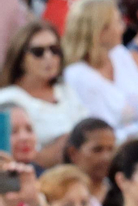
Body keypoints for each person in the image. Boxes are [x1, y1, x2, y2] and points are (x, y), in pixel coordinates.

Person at [60, 0, 138, 140]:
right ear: (100, 30)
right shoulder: (77, 75)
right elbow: (101, 132)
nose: (123, 28)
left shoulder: (120, 54)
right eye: (117, 22)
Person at [0, 23, 88, 163]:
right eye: (38, 52)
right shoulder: (7, 99)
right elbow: (7, 154)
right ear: (20, 57)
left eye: (54, 50)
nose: (48, 57)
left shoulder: (66, 90)